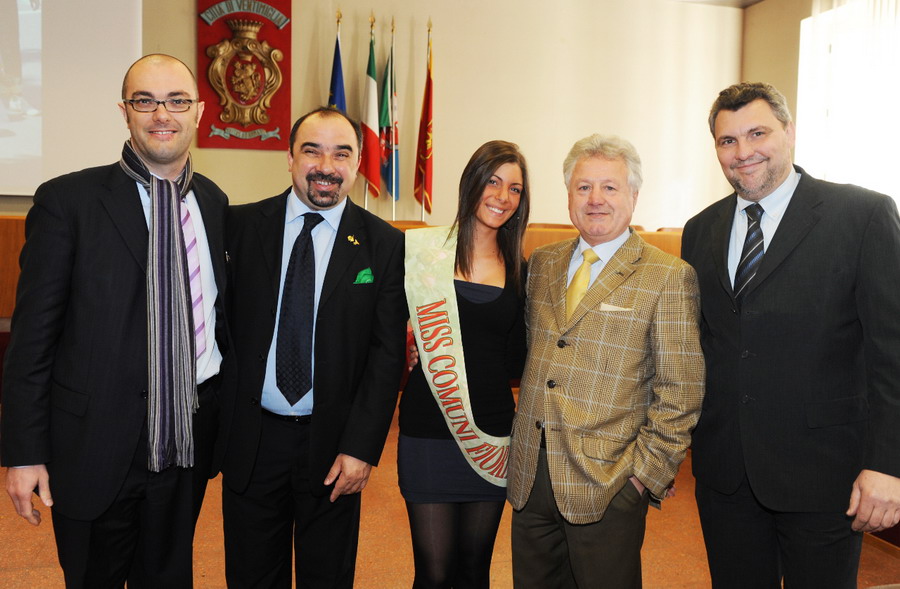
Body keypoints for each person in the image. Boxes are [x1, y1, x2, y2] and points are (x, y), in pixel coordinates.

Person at [0, 53, 231, 587]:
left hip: (187, 443)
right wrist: (24, 452)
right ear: (124, 111)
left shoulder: (214, 202)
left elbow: (219, 320)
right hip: (95, 445)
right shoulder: (68, 201)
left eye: (177, 101)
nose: (162, 114)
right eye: (144, 101)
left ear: (198, 111)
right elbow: (32, 339)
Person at [681, 81, 900, 588]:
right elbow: (701, 346)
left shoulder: (862, 216)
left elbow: (892, 351)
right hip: (725, 476)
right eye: (728, 140)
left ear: (790, 132)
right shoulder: (700, 230)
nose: (743, 152)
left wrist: (888, 465)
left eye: (757, 133)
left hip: (825, 476)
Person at [507, 133, 705, 588]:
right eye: (583, 187)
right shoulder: (542, 264)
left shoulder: (668, 276)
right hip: (531, 477)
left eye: (609, 187)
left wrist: (644, 477)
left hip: (610, 483)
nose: (595, 199)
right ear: (569, 195)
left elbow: (681, 389)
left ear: (633, 196)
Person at [222, 106, 407, 588]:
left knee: (327, 578)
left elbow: (386, 355)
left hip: (334, 447)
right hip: (252, 442)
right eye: (312, 151)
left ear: (358, 163)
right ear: (289, 158)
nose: (327, 166)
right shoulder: (239, 226)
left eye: (341, 153)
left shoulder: (384, 244)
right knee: (250, 576)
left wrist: (361, 448)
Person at [402, 140, 530, 588]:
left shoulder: (521, 271)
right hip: (428, 429)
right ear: (471, 183)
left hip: (491, 433)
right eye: (492, 181)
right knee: (434, 573)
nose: (502, 196)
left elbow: (517, 358)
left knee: (474, 570)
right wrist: (407, 339)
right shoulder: (422, 252)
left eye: (514, 189)